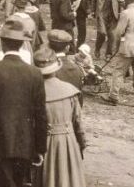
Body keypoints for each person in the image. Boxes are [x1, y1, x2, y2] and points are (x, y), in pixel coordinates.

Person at [0, 19, 48, 187]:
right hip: (25, 142)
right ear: (21, 44)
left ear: (3, 43)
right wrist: (40, 147)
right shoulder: (34, 74)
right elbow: (41, 114)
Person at [33, 47, 86, 187]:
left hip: (46, 143)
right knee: (69, 178)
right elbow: (78, 122)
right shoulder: (69, 90)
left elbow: (33, 124)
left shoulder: (35, 93)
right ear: (56, 69)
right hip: (68, 141)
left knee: (48, 178)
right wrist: (82, 143)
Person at [102, 0, 134, 108]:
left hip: (128, 45)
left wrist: (115, 46)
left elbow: (118, 32)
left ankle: (113, 96)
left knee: (118, 71)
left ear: (127, 0)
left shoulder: (125, 13)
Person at [47, 29, 84, 105]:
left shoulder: (44, 68)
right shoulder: (77, 69)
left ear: (48, 46)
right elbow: (79, 99)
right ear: (67, 48)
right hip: (69, 111)